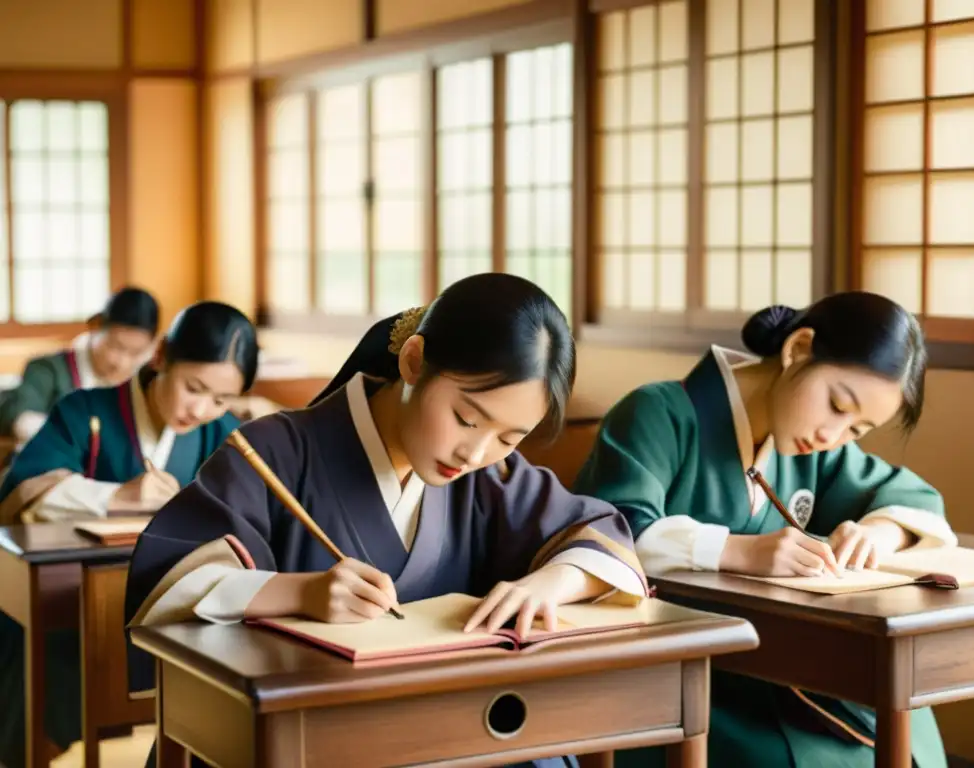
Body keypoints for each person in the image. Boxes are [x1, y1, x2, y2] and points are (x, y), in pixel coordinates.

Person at [124, 273, 649, 768]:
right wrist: (298, 593)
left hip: (442, 729)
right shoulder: (276, 451)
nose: (476, 451)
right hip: (306, 736)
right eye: (467, 418)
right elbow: (170, 579)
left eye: (510, 438)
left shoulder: (491, 476)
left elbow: (599, 533)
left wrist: (549, 583)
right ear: (415, 362)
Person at [573, 293, 956, 768]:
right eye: (837, 405)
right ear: (798, 349)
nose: (832, 435)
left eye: (857, 430)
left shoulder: (812, 447)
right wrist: (738, 551)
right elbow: (610, 536)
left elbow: (916, 499)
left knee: (904, 711)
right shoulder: (657, 413)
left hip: (774, 667)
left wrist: (878, 532)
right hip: (674, 676)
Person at [0, 300, 259, 768]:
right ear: (161, 357)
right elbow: (20, 491)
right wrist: (117, 495)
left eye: (220, 400)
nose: (201, 409)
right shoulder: (85, 410)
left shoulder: (222, 431)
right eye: (193, 388)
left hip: (173, 603)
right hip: (74, 600)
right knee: (40, 662)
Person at [0, 286, 161, 447]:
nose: (122, 362)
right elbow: (23, 421)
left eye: (136, 353)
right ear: (95, 326)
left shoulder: (146, 379)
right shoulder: (49, 369)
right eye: (115, 346)